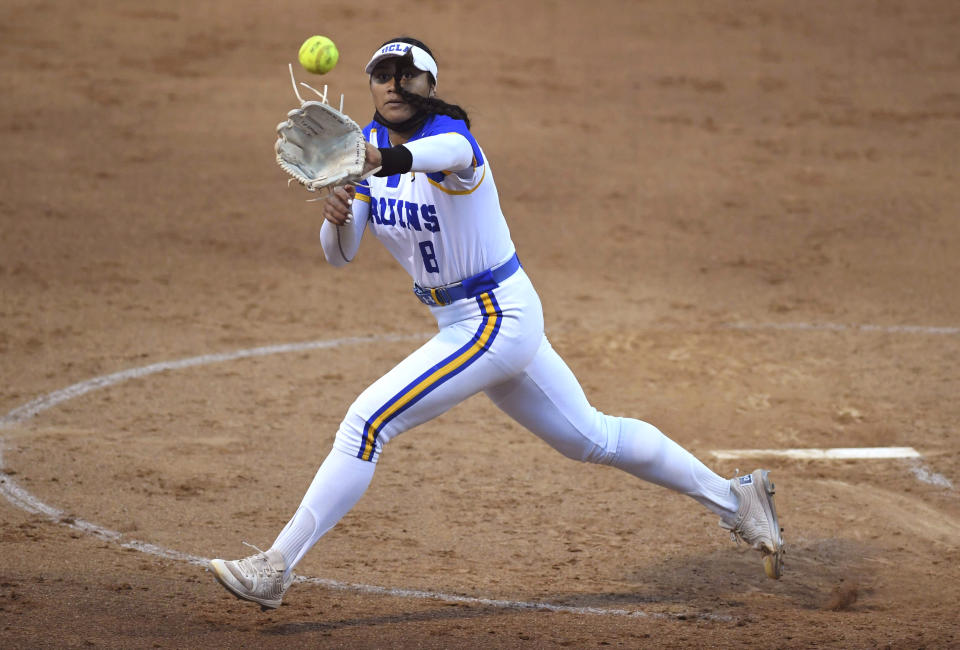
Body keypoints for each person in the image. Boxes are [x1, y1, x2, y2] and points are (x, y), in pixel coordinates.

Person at [208, 36, 784, 610]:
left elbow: (433, 160)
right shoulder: (363, 149)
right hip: (473, 319)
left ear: (429, 85)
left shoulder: (450, 141)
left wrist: (372, 162)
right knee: (591, 437)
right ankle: (737, 501)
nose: (393, 84)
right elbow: (341, 254)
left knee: (366, 424)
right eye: (382, 75)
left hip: (493, 317)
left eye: (406, 74)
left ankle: (275, 566)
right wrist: (337, 213)